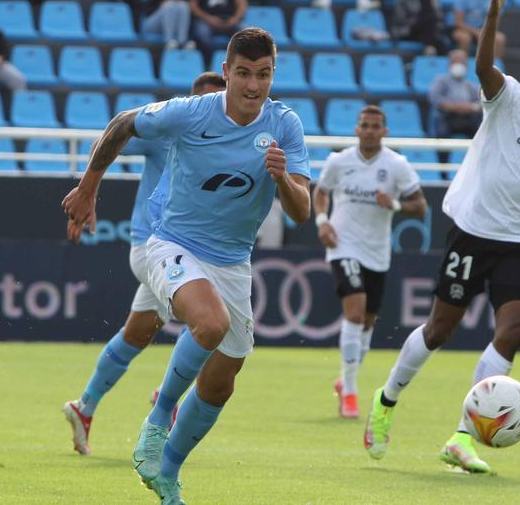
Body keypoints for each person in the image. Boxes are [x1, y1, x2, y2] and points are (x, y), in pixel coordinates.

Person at [61, 27, 311, 504]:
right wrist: (89, 185)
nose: (253, 86)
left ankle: (168, 474)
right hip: (171, 243)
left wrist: (283, 180)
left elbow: (302, 211)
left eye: (263, 74)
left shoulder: (285, 125)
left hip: (234, 263)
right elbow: (122, 124)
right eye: (243, 74)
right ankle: (159, 418)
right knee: (209, 323)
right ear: (226, 73)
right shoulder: (192, 112)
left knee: (221, 384)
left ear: (273, 73)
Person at [363, 0, 520, 476]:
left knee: (515, 330)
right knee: (440, 328)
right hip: (475, 230)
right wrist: (493, 11)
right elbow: (484, 63)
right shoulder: (504, 98)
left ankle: (463, 435)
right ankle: (387, 399)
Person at [63, 71, 229, 456]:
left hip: (190, 251)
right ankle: (166, 399)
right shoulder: (168, 133)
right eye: (204, 98)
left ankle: (83, 407)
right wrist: (89, 189)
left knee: (137, 334)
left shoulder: (230, 140)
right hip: (151, 246)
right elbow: (110, 138)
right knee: (211, 321)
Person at [314, 105, 427, 419]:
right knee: (355, 309)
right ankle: (350, 390)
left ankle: (345, 380)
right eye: (364, 125)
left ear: (385, 131)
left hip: (377, 253)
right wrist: (323, 221)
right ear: (356, 129)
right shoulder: (339, 161)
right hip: (342, 246)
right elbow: (320, 192)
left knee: (366, 322)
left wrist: (391, 203)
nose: (369, 131)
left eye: (375, 126)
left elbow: (420, 207)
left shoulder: (397, 165)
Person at [428, 49, 483, 137]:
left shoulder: (471, 85)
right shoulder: (441, 81)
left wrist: (471, 108)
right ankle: (442, 150)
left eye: (462, 62)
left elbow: (481, 102)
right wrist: (457, 107)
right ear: (449, 65)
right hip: (447, 117)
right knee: (440, 123)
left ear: (467, 66)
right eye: (455, 62)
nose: (459, 65)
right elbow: (435, 98)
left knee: (479, 124)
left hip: (468, 117)